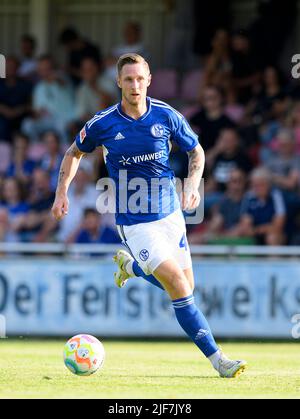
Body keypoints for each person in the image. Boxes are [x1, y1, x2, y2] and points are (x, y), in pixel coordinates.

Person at [52, 53, 247, 378]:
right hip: (135, 222)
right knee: (179, 289)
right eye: (128, 79)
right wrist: (61, 193)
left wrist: (193, 186)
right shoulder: (103, 123)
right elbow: (74, 153)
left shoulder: (166, 116)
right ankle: (220, 361)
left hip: (171, 216)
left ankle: (130, 266)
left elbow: (195, 150)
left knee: (187, 287)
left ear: (149, 79)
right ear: (119, 82)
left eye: (139, 78)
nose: (134, 84)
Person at [238, 167, 286, 245]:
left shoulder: (276, 196)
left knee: (272, 237)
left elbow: (278, 226)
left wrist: (258, 230)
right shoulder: (249, 196)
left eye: (261, 184)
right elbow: (245, 220)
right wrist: (247, 226)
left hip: (275, 234)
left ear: (268, 184)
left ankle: (274, 257)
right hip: (254, 233)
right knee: (238, 232)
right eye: (255, 185)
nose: (257, 188)